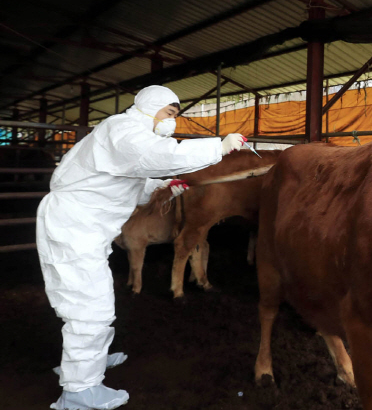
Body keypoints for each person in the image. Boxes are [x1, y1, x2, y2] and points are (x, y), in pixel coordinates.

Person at [36, 85, 246, 409]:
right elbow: (158, 155)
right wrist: (217, 147)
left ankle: (90, 361)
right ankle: (79, 391)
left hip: (84, 228)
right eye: (170, 114)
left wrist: (167, 187)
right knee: (90, 307)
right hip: (74, 227)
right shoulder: (124, 130)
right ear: (152, 106)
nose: (172, 123)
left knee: (94, 301)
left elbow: (134, 185)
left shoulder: (126, 140)